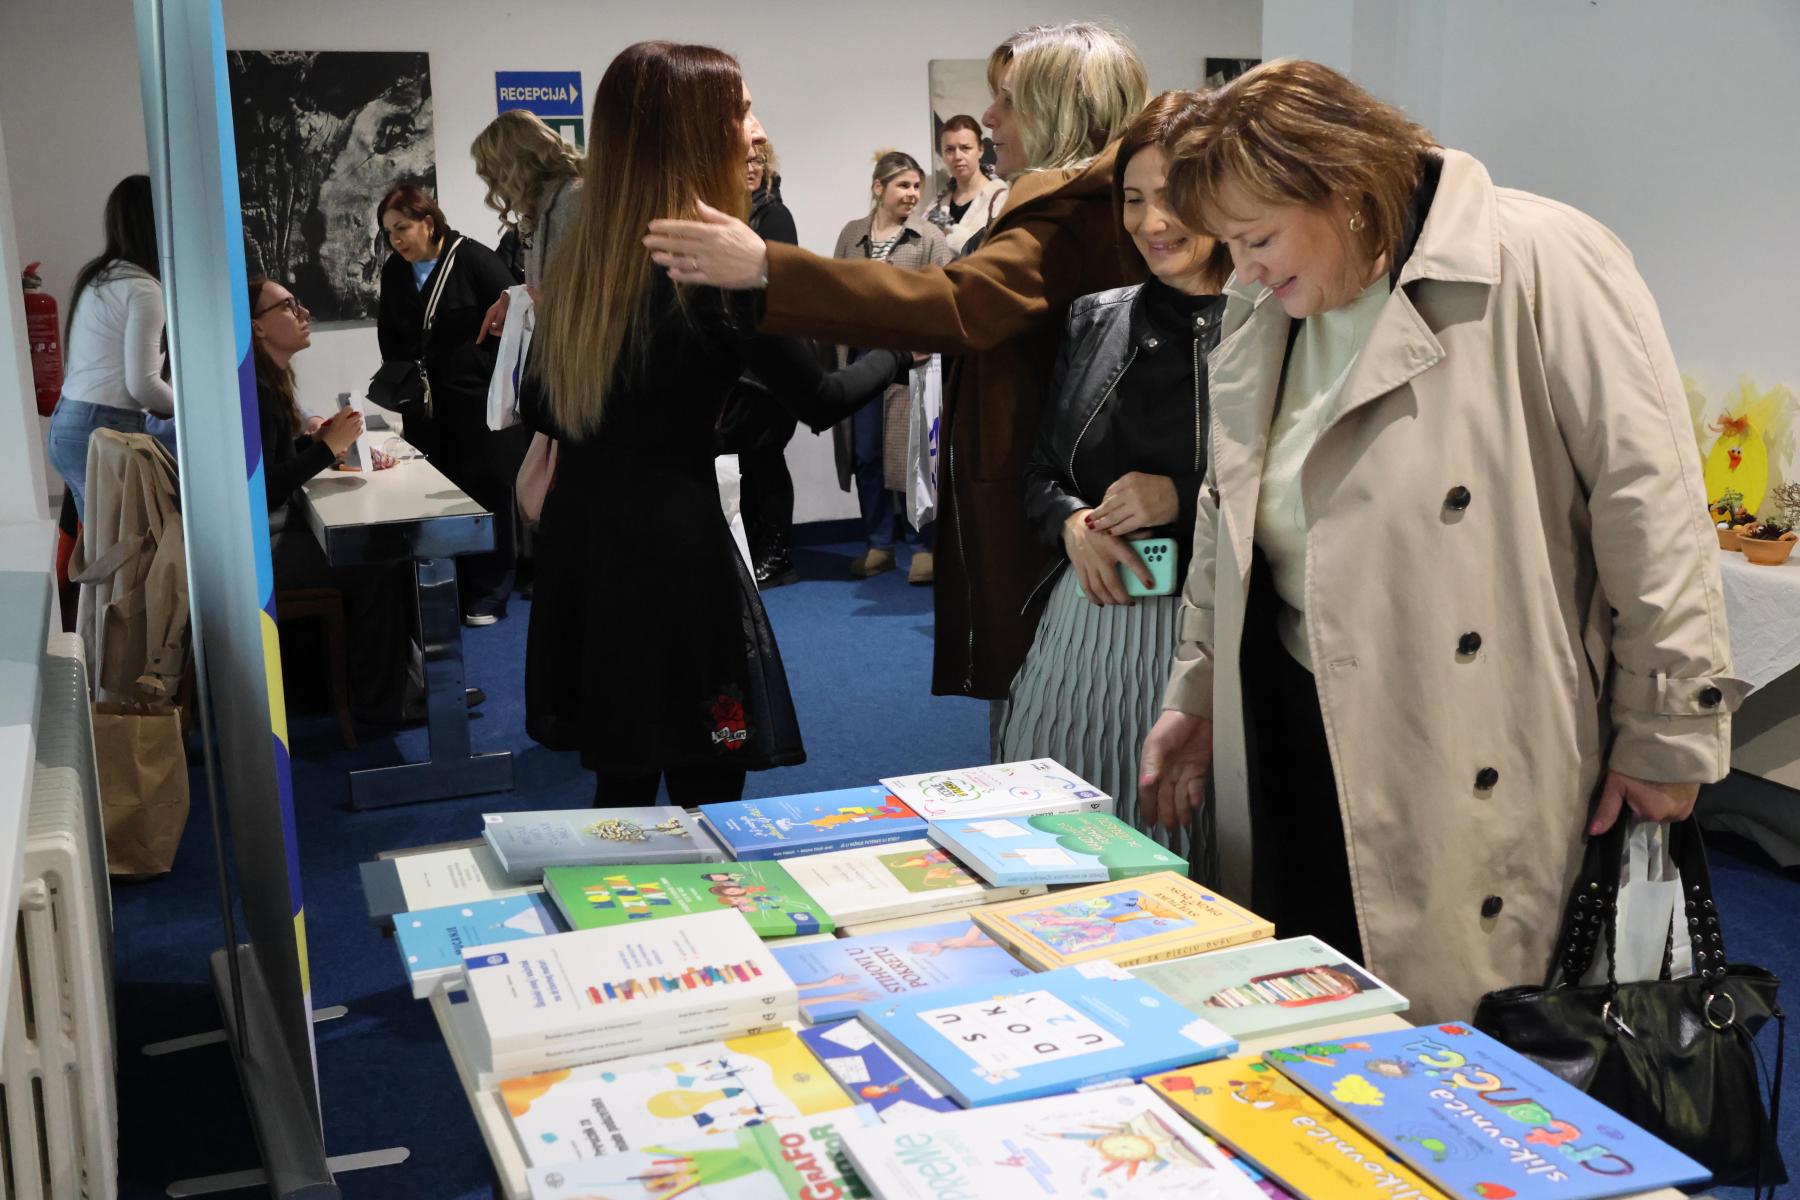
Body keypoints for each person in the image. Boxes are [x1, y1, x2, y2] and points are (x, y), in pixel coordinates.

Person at [1134, 60, 1738, 1019]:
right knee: (1317, 1006)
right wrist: (1200, 691)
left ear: (1343, 190)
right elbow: (1227, 514)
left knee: (1476, 1039)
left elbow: (1653, 506)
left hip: (1467, 729)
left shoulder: (1541, 259)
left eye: (1257, 237)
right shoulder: (1264, 302)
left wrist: (1670, 731)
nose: (1240, 268)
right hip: (1290, 709)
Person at [645, 22, 1151, 721]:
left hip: (1060, 504)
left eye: (1006, 100)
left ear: (1059, 108)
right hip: (1055, 497)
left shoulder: (1072, 214)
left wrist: (767, 268)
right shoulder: (1079, 204)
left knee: (1061, 716)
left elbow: (958, 301)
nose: (989, 119)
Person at [521, 41, 913, 808]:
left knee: (621, 782)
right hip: (675, 551)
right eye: (741, 112)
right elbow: (821, 397)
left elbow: (543, 405)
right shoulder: (716, 270)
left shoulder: (582, 263)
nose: (756, 131)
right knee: (706, 787)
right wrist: (898, 353)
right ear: (692, 133)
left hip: (584, 547)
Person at [1004, 91, 1230, 844]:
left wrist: (1183, 496)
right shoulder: (1096, 318)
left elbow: (1308, 494)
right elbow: (1041, 472)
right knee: (1057, 840)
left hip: (1206, 639)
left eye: (1174, 196)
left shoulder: (1275, 322)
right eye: (1134, 199)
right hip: (1087, 629)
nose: (1151, 221)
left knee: (1188, 850)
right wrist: (1071, 523)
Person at [249, 276, 424, 725]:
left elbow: (276, 464)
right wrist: (327, 448)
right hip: (258, 554)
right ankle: (381, 704)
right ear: (257, 327)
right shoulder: (259, 394)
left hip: (267, 538)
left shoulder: (267, 385)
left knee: (387, 553)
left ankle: (402, 685)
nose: (304, 313)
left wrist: (320, 443)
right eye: (288, 307)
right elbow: (263, 488)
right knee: (378, 560)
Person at [374, 183, 517, 625]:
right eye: (388, 232)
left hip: (476, 403)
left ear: (428, 222)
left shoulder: (473, 259)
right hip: (424, 406)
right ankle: (445, 591)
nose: (396, 240)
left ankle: (489, 592)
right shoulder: (395, 271)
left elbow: (517, 320)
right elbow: (389, 332)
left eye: (402, 228)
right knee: (435, 494)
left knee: (485, 492)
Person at [830, 150, 951, 582]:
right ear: (878, 188)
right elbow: (835, 290)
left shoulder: (929, 237)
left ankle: (922, 547)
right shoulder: (852, 235)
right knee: (866, 455)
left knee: (916, 458)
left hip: (911, 364)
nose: (913, 193)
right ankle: (879, 544)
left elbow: (945, 299)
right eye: (903, 185)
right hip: (862, 359)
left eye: (917, 185)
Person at [47, 174, 175, 521]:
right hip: (104, 428)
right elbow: (143, 385)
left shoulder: (100, 278)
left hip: (68, 424)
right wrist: (189, 413)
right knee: (127, 545)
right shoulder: (143, 288)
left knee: (104, 545)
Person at [717, 139, 803, 588]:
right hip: (738, 362)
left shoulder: (773, 214)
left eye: (758, 160)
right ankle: (753, 549)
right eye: (743, 160)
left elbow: (774, 287)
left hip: (768, 363)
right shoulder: (730, 213)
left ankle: (779, 555)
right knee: (742, 459)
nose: (752, 167)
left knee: (765, 457)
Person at [923, 114, 1009, 255]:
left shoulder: (1001, 198)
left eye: (965, 148)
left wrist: (954, 237)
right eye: (949, 149)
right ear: (942, 155)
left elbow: (1003, 252)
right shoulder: (937, 204)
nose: (957, 156)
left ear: (980, 150)